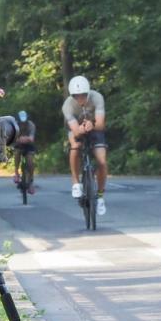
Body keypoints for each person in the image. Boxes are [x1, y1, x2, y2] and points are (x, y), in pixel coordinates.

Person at [62, 75, 108, 216]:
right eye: (76, 96)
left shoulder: (97, 97)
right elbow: (75, 130)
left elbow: (101, 124)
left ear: (88, 92)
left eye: (83, 95)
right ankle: (76, 182)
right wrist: (80, 130)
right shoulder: (67, 105)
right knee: (75, 146)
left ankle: (100, 196)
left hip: (94, 128)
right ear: (72, 96)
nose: (80, 98)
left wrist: (92, 125)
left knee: (102, 161)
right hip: (77, 128)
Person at [12, 110, 37, 195]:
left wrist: (24, 139)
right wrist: (21, 139)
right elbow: (12, 138)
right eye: (21, 122)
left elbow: (32, 138)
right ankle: (16, 173)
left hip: (29, 145)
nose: (23, 124)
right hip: (18, 145)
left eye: (24, 122)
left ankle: (30, 181)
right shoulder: (14, 126)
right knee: (17, 153)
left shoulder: (31, 125)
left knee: (30, 162)